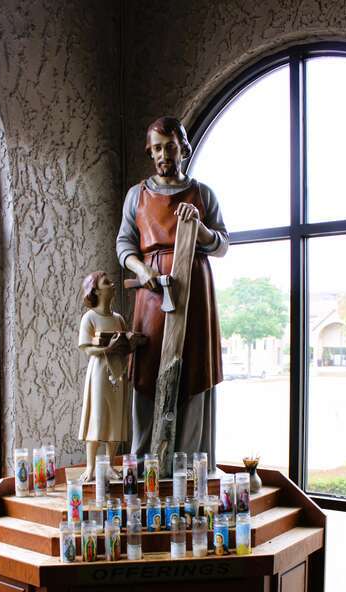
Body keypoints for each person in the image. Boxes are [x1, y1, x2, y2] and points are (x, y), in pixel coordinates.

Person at [116, 116, 228, 469]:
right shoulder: (137, 195)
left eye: (170, 146)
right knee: (149, 370)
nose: (164, 154)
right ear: (151, 151)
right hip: (152, 293)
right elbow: (125, 244)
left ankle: (191, 465)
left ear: (183, 147)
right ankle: (146, 460)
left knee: (194, 368)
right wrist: (141, 268)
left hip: (193, 290)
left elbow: (223, 243)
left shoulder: (203, 194)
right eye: (157, 148)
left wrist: (199, 227)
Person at [78, 271, 140, 481]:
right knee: (98, 415)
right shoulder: (90, 317)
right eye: (107, 283)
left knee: (116, 417)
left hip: (118, 372)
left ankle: (110, 465)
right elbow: (87, 348)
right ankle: (91, 466)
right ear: (95, 290)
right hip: (100, 373)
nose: (113, 285)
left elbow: (124, 345)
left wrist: (131, 342)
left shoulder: (118, 319)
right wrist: (108, 348)